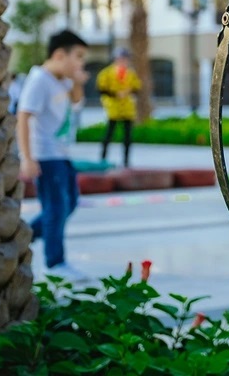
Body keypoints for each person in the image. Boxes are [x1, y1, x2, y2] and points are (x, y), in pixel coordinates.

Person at [17, 29, 90, 282]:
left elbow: (76, 101)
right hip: (45, 156)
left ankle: (22, 236)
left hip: (62, 154)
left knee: (68, 204)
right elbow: (23, 117)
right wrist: (27, 158)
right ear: (60, 54)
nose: (81, 63)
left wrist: (78, 81)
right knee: (56, 207)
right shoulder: (39, 79)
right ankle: (55, 262)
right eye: (78, 57)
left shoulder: (62, 80)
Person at [95, 47, 141, 167]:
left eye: (125, 59)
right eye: (121, 58)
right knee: (109, 134)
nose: (123, 61)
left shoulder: (131, 74)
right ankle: (103, 158)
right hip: (113, 107)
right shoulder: (106, 73)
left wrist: (129, 91)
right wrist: (115, 94)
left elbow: (137, 88)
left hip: (127, 108)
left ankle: (126, 160)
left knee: (127, 136)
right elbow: (101, 89)